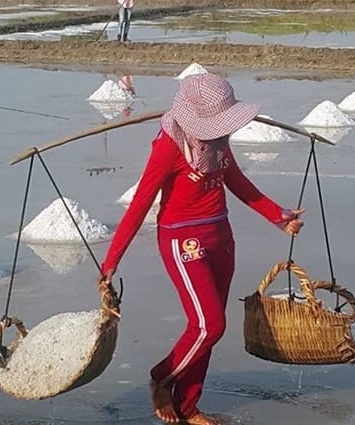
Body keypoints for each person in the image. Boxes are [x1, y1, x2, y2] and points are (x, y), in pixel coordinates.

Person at [99, 74, 303, 425]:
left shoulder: (217, 140)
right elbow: (140, 203)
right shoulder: (169, 146)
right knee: (210, 325)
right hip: (182, 240)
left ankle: (189, 407)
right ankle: (161, 377)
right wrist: (111, 261)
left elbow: (233, 177)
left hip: (220, 236)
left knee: (204, 328)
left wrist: (278, 216)